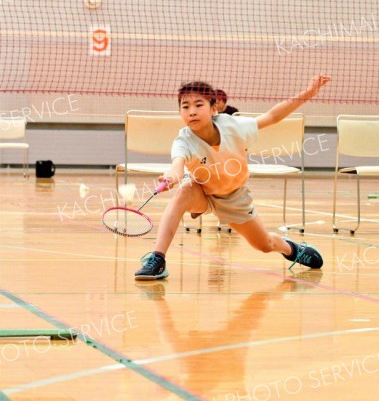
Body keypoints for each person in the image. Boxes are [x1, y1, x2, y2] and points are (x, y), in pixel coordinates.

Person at [135, 75, 332, 280]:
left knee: (264, 245)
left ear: (214, 109)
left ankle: (290, 248)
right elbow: (177, 164)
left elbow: (272, 116)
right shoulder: (183, 140)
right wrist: (171, 176)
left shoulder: (233, 126)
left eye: (198, 104)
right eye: (185, 107)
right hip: (202, 192)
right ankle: (157, 259)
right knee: (184, 190)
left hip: (234, 198)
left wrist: (308, 94)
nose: (191, 111)